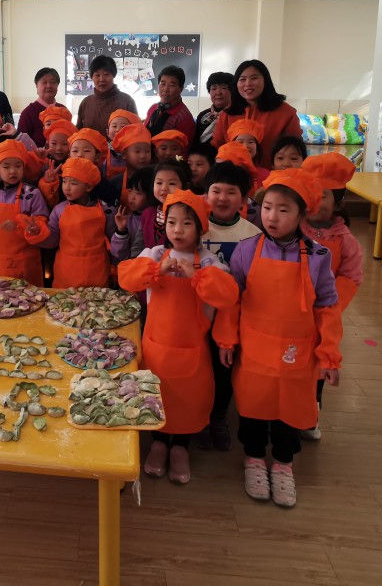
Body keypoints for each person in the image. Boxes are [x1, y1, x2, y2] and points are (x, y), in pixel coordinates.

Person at [215, 170, 343, 509]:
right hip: (254, 349)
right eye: (268, 207)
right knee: (253, 407)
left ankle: (284, 463)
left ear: (302, 215)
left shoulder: (319, 257)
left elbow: (327, 307)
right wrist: (226, 339)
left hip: (298, 351)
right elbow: (231, 299)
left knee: (291, 410)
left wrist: (329, 354)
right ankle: (254, 459)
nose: (272, 216)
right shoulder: (246, 250)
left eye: (283, 209)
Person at [118, 190, 238, 485]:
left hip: (192, 351)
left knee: (187, 400)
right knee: (157, 395)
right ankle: (159, 442)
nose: (178, 230)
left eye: (186, 223)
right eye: (172, 222)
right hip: (155, 348)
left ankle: (181, 447)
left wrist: (197, 278)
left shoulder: (209, 263)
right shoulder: (154, 255)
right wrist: (156, 271)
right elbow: (126, 279)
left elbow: (227, 296)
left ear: (200, 228)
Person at [195, 161, 260, 453]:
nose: (222, 198)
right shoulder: (195, 227)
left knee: (224, 368)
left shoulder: (252, 235)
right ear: (205, 195)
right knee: (199, 367)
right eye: (216, 191)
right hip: (197, 312)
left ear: (244, 199)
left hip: (233, 316)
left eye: (231, 192)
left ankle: (218, 416)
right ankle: (197, 416)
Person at [299, 153, 364, 442]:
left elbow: (351, 276)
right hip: (289, 309)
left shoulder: (344, 239)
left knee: (317, 365)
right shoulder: (293, 226)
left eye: (323, 195)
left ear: (337, 202)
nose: (315, 200)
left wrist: (331, 303)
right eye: (310, 192)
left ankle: (310, 416)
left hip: (323, 314)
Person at [0, 139, 51, 285]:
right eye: (6, 167)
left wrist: (23, 225)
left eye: (18, 166)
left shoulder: (32, 194)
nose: (13, 171)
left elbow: (41, 221)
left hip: (26, 264)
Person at [212, 60, 301, 169]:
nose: (248, 83)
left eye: (254, 78)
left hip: (273, 176)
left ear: (265, 80)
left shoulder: (286, 112)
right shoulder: (227, 114)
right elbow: (217, 146)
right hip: (235, 176)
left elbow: (296, 149)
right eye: (242, 79)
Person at [44, 156, 116, 288]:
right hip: (66, 274)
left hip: (97, 274)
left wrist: (115, 268)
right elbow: (52, 240)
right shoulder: (59, 210)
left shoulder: (107, 211)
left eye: (73, 183)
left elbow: (115, 244)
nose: (67, 188)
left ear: (88, 187)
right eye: (64, 181)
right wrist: (37, 232)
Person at [75, 55, 138, 136]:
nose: (101, 79)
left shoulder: (127, 101)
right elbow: (78, 133)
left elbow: (136, 133)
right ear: (92, 77)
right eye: (97, 75)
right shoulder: (86, 103)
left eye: (106, 74)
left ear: (113, 75)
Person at [107, 123, 153, 209]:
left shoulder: (155, 180)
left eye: (147, 151)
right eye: (137, 151)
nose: (143, 156)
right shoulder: (116, 183)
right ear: (124, 154)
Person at [144, 65, 196, 141]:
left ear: (181, 89)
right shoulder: (154, 108)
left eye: (172, 85)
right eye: (163, 84)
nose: (165, 89)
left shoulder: (184, 117)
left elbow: (185, 146)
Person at [17, 67, 64, 146]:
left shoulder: (63, 110)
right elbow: (20, 144)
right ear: (36, 85)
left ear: (57, 85)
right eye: (44, 82)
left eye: (53, 82)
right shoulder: (28, 113)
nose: (49, 85)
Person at [195, 72, 234, 146]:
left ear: (232, 91)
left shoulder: (236, 116)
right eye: (213, 88)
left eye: (223, 88)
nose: (218, 92)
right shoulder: (203, 115)